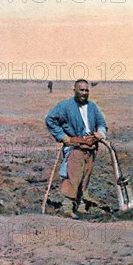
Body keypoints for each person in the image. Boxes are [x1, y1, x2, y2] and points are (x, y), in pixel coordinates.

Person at [45, 79, 107, 218]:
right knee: (73, 176)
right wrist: (63, 137)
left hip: (90, 147)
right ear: (75, 90)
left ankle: (80, 205)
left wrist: (100, 133)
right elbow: (50, 120)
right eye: (81, 90)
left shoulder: (92, 106)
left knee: (85, 177)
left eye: (86, 90)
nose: (84, 93)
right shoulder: (65, 106)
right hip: (75, 147)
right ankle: (67, 208)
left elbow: (101, 123)